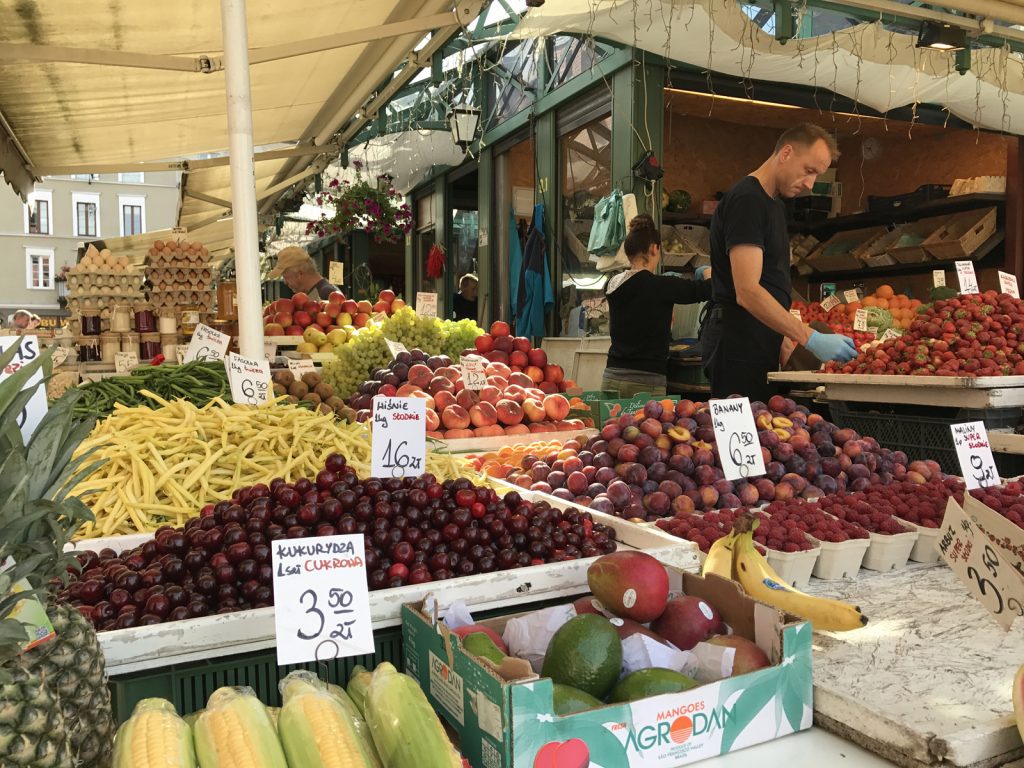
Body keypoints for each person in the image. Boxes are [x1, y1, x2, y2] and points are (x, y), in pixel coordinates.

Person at [702, 123, 857, 402]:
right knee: (741, 441)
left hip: (758, 339)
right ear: (786, 153)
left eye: (817, 176)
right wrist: (810, 337)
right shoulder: (748, 200)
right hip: (738, 344)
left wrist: (782, 335)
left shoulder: (772, 203)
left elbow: (768, 282)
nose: (810, 184)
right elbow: (747, 291)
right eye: (809, 171)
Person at [602, 214, 713, 398]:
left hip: (611, 377)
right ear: (654, 249)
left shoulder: (612, 284)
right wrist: (705, 271)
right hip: (646, 383)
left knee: (612, 427)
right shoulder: (661, 286)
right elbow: (707, 289)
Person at [268, 246, 339, 300]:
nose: (285, 282)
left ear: (300, 273)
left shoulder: (326, 294)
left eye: (285, 276)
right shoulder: (318, 292)